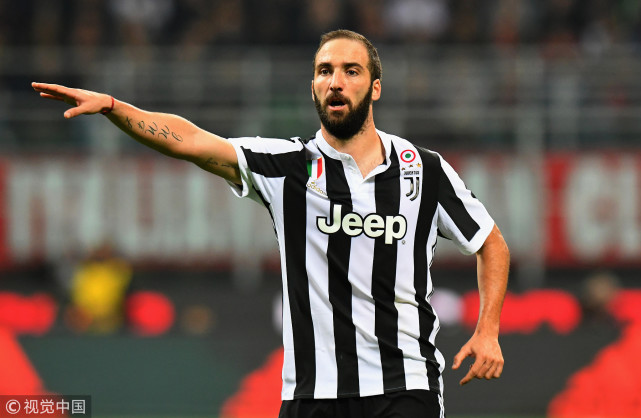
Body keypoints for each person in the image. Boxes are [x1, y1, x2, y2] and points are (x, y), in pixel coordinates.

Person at [33, 29, 510, 418]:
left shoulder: (422, 169)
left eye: (351, 71)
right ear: (313, 86)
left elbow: (490, 242)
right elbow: (192, 141)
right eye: (324, 71)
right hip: (312, 394)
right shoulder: (287, 166)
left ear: (375, 87)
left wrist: (488, 329)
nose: (336, 81)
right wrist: (115, 107)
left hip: (404, 388)